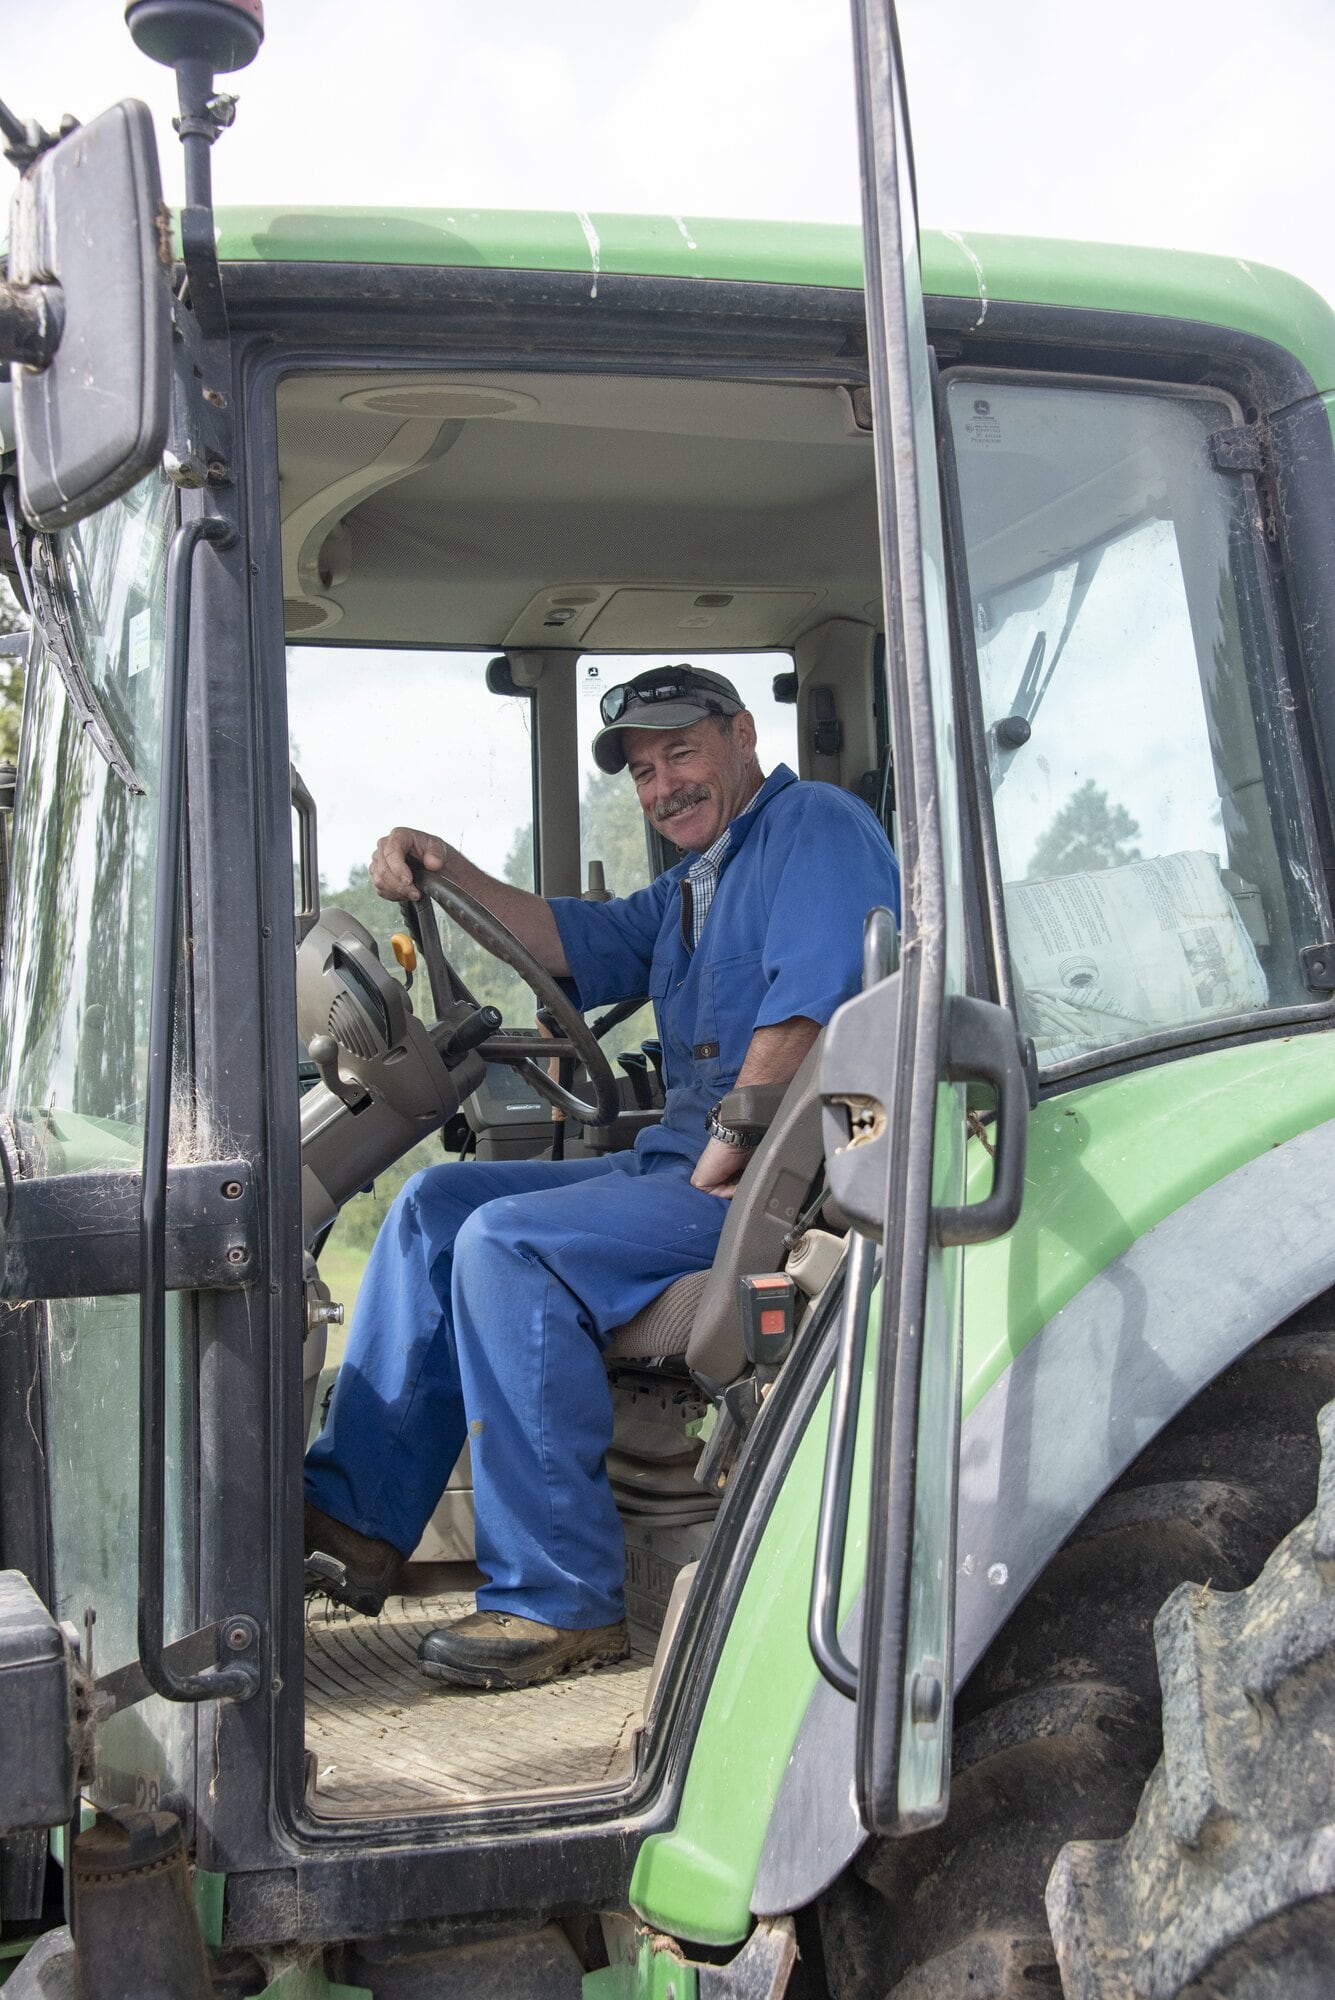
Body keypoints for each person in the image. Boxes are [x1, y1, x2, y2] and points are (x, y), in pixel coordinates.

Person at [304, 664, 900, 1691]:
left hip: (767, 1181)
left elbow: (810, 1009)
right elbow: (565, 940)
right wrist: (444, 866)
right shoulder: (693, 884)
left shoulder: (814, 827)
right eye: (643, 771)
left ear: (742, 735)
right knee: (436, 1206)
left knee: (509, 1245)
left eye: (681, 753)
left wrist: (732, 1148)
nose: (663, 785)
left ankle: (560, 1599)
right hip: (679, 1162)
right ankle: (356, 1517)